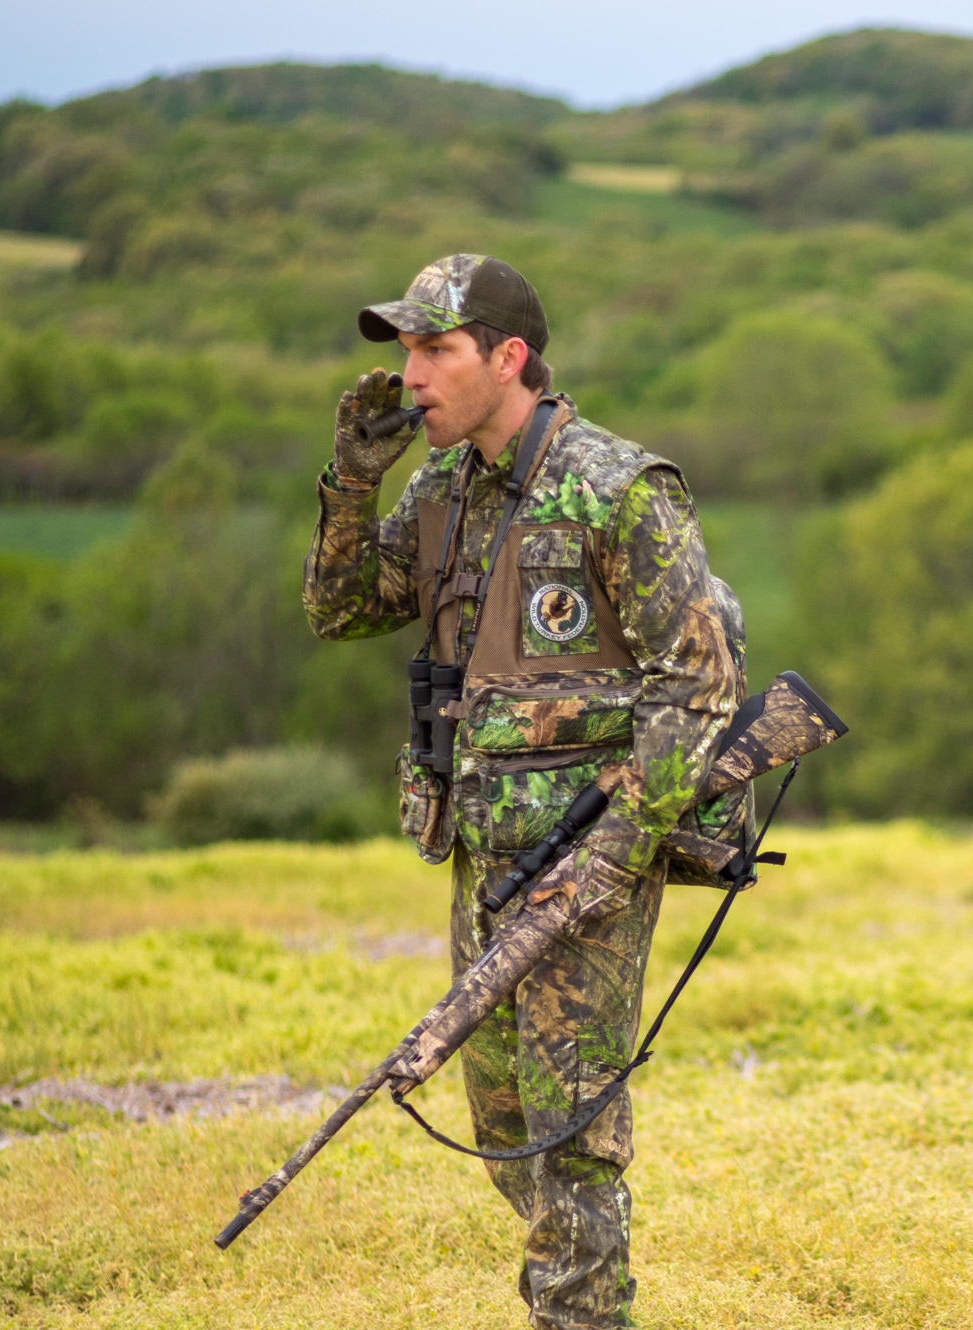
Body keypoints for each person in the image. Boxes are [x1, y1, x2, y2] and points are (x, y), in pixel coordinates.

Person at [302, 254, 743, 1330]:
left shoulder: (616, 489)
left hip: (588, 860)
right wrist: (352, 480)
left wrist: (615, 853)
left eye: (435, 349)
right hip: (483, 855)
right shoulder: (440, 490)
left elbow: (698, 684)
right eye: (404, 350)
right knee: (502, 1122)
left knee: (568, 1136)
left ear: (508, 359)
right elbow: (342, 609)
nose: (410, 376)